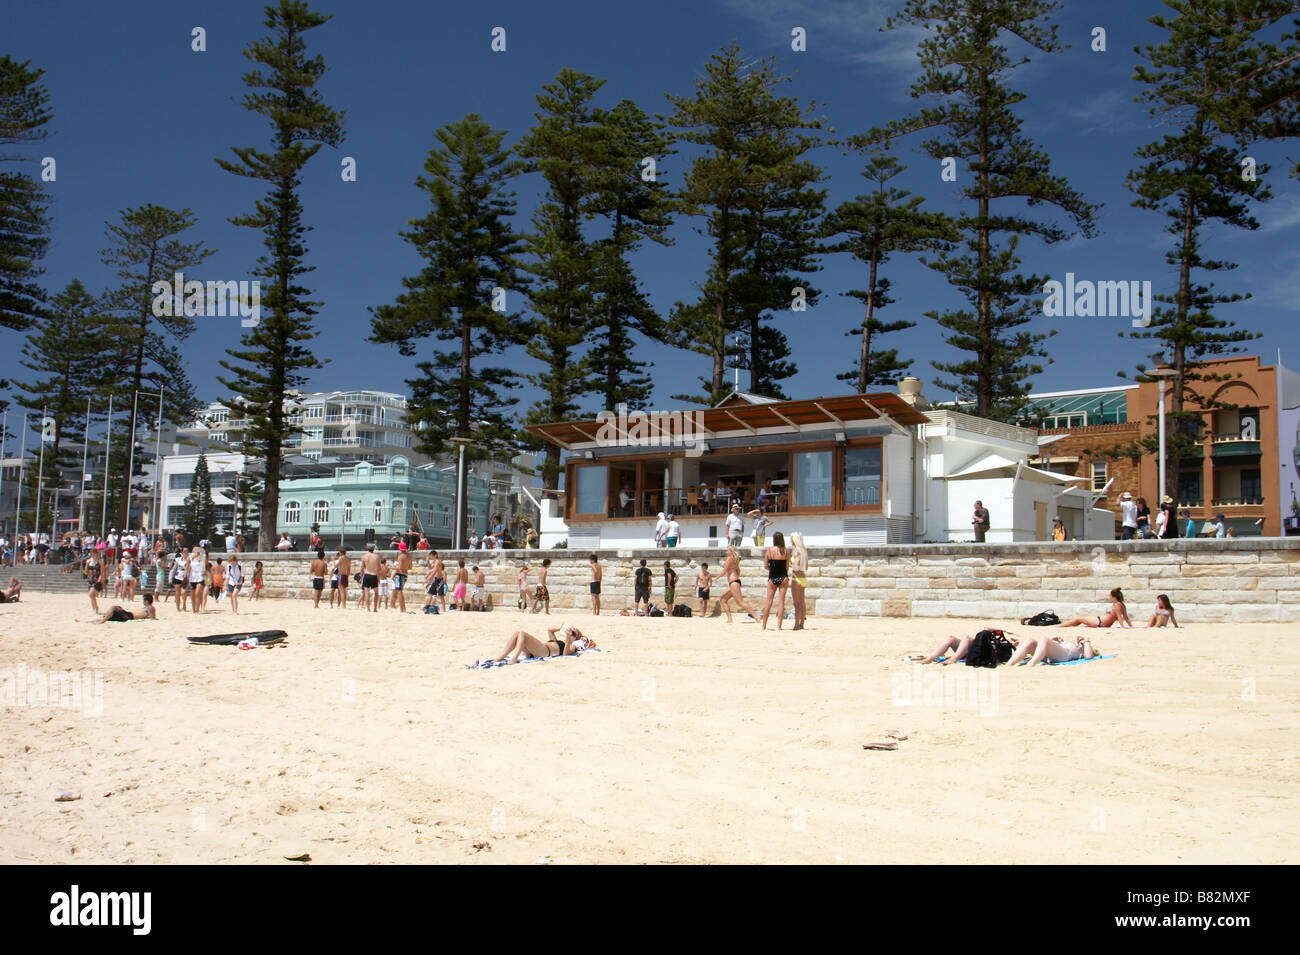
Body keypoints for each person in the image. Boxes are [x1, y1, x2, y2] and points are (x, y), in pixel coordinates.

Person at [491, 621, 592, 665]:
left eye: (574, 634)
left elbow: (566, 654)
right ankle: (500, 657)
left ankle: (513, 659)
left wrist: (568, 638)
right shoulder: (558, 641)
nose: (572, 634)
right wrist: (563, 628)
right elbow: (550, 630)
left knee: (521, 633)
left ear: (576, 638)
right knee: (517, 633)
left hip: (544, 652)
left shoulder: (572, 646)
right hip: (536, 650)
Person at [915, 629, 1022, 665]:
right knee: (951, 638)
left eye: (1013, 639)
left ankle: (954, 659)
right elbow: (986, 629)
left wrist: (1011, 643)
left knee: (967, 639)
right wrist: (1003, 631)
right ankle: (928, 660)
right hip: (973, 650)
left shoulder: (1007, 647)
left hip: (982, 653)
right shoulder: (998, 636)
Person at [1004, 631, 1099, 668]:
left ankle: (1031, 664)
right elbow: (1045, 646)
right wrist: (1054, 641)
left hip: (1065, 655)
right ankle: (1009, 664)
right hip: (1051, 655)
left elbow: (1089, 657)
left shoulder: (1083, 648)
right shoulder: (1069, 643)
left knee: (1044, 639)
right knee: (1030, 640)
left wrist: (1086, 641)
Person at [719, 546, 759, 624]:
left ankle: (756, 617)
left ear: (731, 551)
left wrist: (715, 578)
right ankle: (729, 619)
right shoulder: (735, 559)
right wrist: (736, 578)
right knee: (723, 600)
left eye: (727, 551)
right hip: (734, 582)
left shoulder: (730, 558)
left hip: (733, 582)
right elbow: (738, 570)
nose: (726, 552)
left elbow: (724, 571)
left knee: (740, 602)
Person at [760, 531, 791, 630]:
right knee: (781, 602)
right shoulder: (786, 551)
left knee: (768, 602)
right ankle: (779, 626)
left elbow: (765, 566)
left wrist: (772, 570)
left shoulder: (769, 550)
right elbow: (787, 566)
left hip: (773, 577)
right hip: (783, 577)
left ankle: (764, 625)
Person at [1058, 588, 1133, 628]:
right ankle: (1062, 625)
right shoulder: (1122, 604)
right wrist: (1131, 626)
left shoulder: (1117, 605)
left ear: (1114, 597)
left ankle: (1060, 626)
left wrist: (1122, 627)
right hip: (1101, 621)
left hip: (1100, 622)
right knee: (1080, 619)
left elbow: (1120, 617)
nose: (1109, 597)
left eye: (1110, 596)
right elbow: (1126, 617)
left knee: (1079, 619)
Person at [92, 593, 157, 623]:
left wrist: (152, 618)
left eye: (144, 600)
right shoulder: (147, 608)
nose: (143, 602)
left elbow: (152, 618)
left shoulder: (150, 607)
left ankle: (102, 621)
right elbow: (146, 615)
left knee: (114, 607)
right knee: (111, 615)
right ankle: (95, 621)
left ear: (147, 601)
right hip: (128, 615)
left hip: (129, 616)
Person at [789, 531, 808, 631]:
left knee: (796, 603)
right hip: (803, 578)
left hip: (796, 578)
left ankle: (796, 624)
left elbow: (796, 567)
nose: (790, 540)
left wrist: (788, 564)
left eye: (791, 538)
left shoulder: (796, 551)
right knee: (802, 602)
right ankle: (801, 623)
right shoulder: (804, 551)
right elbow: (806, 567)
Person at [360, 544, 381, 612]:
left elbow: (362, 568)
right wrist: (378, 578)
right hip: (374, 575)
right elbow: (379, 568)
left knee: (366, 592)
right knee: (376, 593)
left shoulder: (364, 556)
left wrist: (361, 577)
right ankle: (374, 608)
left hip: (367, 574)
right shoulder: (376, 557)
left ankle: (368, 608)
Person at [187, 546, 206, 614]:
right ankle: (194, 609)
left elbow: (205, 566)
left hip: (200, 577)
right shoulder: (190, 557)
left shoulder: (203, 557)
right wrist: (185, 576)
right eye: (195, 550)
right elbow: (187, 564)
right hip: (192, 577)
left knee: (197, 593)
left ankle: (197, 609)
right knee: (193, 594)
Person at [393, 544, 412, 613]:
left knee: (399, 592)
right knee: (400, 591)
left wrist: (394, 567)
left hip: (400, 574)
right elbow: (410, 567)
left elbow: (400, 568)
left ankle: (402, 609)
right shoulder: (409, 556)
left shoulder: (401, 556)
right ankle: (403, 608)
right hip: (405, 575)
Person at [86, 550, 105, 614]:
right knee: (92, 595)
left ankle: (96, 608)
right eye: (92, 553)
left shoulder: (100, 561)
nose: (93, 555)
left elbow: (102, 572)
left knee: (91, 594)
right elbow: (86, 570)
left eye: (94, 554)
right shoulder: (88, 561)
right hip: (90, 579)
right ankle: (95, 608)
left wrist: (100, 579)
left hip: (96, 579)